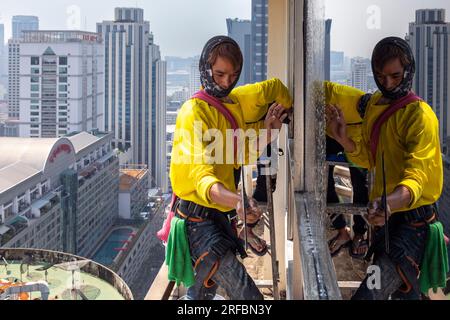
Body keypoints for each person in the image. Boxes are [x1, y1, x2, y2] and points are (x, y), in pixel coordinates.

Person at [169, 35, 292, 300]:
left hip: (215, 219)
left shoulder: (229, 106)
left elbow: (237, 155)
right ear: (205, 69)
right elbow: (202, 177)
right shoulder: (193, 113)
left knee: (201, 294)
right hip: (198, 224)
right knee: (249, 298)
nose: (226, 82)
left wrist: (268, 133)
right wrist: (237, 200)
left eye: (233, 75)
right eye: (220, 74)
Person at [326, 37, 443, 299]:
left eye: (395, 76)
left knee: (371, 294)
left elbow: (418, 177)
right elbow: (370, 158)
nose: (388, 83)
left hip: (413, 224)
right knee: (404, 294)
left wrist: (389, 202)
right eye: (381, 76)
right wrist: (344, 139)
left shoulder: (419, 116)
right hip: (387, 222)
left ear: (408, 71)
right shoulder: (378, 105)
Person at [326, 137, 369, 259]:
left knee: (361, 183)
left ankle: (360, 233)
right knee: (321, 182)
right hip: (331, 133)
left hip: (358, 135)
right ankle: (342, 230)